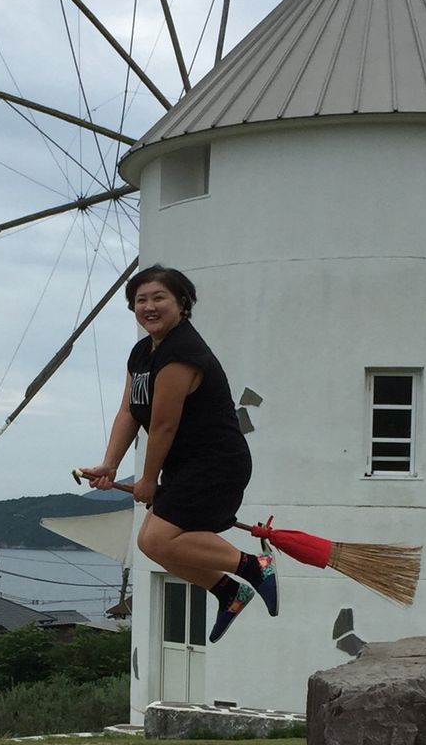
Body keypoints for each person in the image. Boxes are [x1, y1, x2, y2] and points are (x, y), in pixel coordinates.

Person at [80, 264, 279, 643]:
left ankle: (256, 567)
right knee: (152, 544)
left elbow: (163, 425)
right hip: (186, 465)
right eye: (141, 300)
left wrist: (148, 480)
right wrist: (110, 464)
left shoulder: (182, 354)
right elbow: (129, 411)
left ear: (182, 303)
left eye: (159, 298)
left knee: (156, 540)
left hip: (216, 464)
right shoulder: (142, 352)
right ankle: (228, 590)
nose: (149, 307)